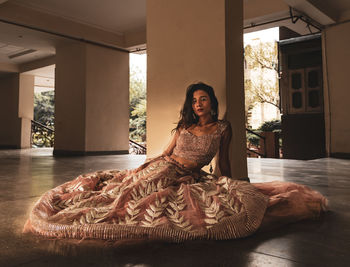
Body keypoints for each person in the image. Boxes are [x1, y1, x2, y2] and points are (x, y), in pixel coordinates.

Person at [24, 82, 327, 242]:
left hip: (188, 175)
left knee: (154, 200)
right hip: (164, 166)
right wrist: (146, 166)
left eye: (203, 99)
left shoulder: (223, 127)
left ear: (211, 101)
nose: (198, 104)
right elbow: (166, 152)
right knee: (127, 191)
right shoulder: (185, 127)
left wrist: (231, 182)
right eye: (194, 101)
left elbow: (222, 162)